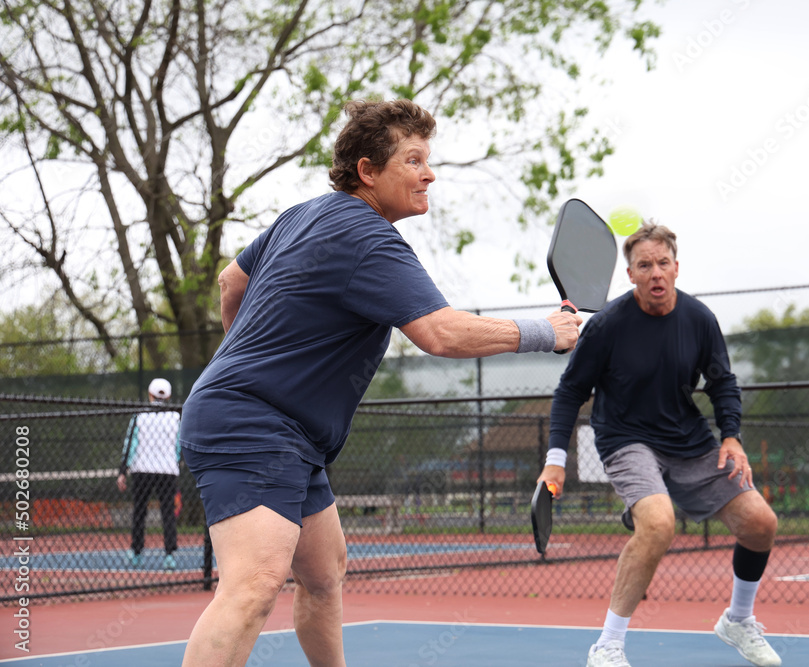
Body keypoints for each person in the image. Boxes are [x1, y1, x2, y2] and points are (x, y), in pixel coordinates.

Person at [177, 98, 582, 667]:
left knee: (323, 571)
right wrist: (546, 331)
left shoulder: (303, 214)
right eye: (414, 160)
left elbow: (229, 283)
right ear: (368, 171)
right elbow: (440, 334)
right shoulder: (368, 239)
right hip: (255, 423)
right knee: (255, 584)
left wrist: (242, 357)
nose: (430, 173)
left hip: (284, 430)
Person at [538, 222, 781, 667]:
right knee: (658, 524)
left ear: (676, 268)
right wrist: (555, 460)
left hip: (690, 442)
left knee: (761, 523)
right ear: (630, 274)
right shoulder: (607, 326)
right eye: (644, 265)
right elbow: (570, 391)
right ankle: (607, 646)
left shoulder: (699, 319)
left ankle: (738, 621)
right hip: (625, 439)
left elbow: (722, 381)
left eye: (662, 263)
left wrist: (732, 436)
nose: (655, 273)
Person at [118, 377, 182, 571]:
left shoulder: (140, 416)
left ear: (150, 394)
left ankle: (136, 553)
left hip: (142, 469)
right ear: (169, 396)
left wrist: (123, 470)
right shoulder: (176, 417)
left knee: (139, 511)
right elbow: (180, 445)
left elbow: (131, 443)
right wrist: (176, 462)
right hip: (167, 471)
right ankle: (170, 555)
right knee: (168, 513)